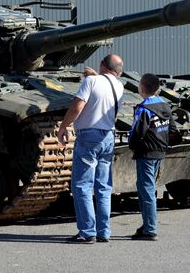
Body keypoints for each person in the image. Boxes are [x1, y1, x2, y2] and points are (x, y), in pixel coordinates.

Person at [57, 54, 124, 244]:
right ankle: (104, 231)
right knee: (103, 187)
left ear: (102, 64)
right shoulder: (118, 86)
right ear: (118, 71)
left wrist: (63, 127)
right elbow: (105, 86)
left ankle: (87, 232)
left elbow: (78, 106)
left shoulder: (91, 82)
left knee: (82, 185)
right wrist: (96, 76)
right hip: (108, 136)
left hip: (88, 137)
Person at [128, 73, 176, 241]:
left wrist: (132, 146)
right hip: (159, 152)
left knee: (146, 189)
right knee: (147, 188)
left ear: (141, 88)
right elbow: (173, 131)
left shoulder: (144, 109)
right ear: (158, 89)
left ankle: (150, 228)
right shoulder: (165, 106)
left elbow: (137, 132)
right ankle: (147, 224)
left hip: (146, 153)